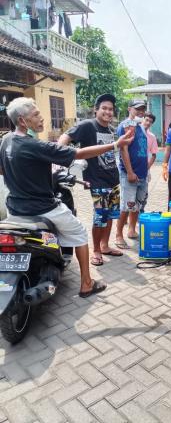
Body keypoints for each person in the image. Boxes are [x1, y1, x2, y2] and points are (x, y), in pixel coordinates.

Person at [0, 97, 133, 297]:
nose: (41, 117)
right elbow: (78, 153)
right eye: (35, 115)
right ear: (22, 121)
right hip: (43, 209)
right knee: (79, 233)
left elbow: (2, 169)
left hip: (15, 209)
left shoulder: (6, 141)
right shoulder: (35, 145)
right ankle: (87, 283)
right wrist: (115, 145)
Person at [58, 94, 123, 267]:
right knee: (100, 217)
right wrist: (61, 155)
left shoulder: (110, 129)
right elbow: (65, 138)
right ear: (96, 110)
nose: (108, 112)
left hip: (113, 180)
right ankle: (96, 250)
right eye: (104, 108)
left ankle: (105, 246)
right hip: (97, 181)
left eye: (110, 109)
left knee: (110, 216)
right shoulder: (87, 125)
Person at [115, 99, 148, 248]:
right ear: (129, 109)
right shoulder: (126, 126)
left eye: (143, 109)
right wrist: (129, 172)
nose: (141, 112)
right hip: (130, 174)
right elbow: (123, 150)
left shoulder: (139, 127)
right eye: (137, 109)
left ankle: (132, 230)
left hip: (142, 174)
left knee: (137, 205)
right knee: (126, 206)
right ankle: (118, 235)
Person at [139, 111, 158, 212]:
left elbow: (154, 155)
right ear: (143, 119)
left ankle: (140, 214)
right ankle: (126, 216)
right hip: (132, 168)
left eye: (150, 121)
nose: (147, 123)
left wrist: (147, 168)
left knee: (144, 193)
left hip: (144, 170)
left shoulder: (152, 137)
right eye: (146, 120)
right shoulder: (134, 132)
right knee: (130, 193)